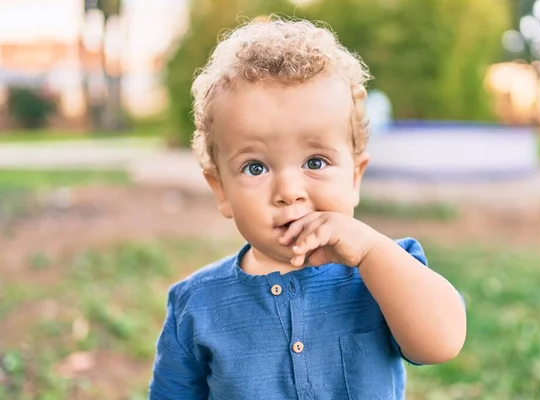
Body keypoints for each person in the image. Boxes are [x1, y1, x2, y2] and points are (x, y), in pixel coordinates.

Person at [149, 16, 466, 400]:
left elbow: (441, 343)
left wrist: (369, 252)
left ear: (354, 178)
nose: (289, 191)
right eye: (256, 167)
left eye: (315, 162)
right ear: (221, 191)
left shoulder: (386, 269)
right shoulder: (195, 304)